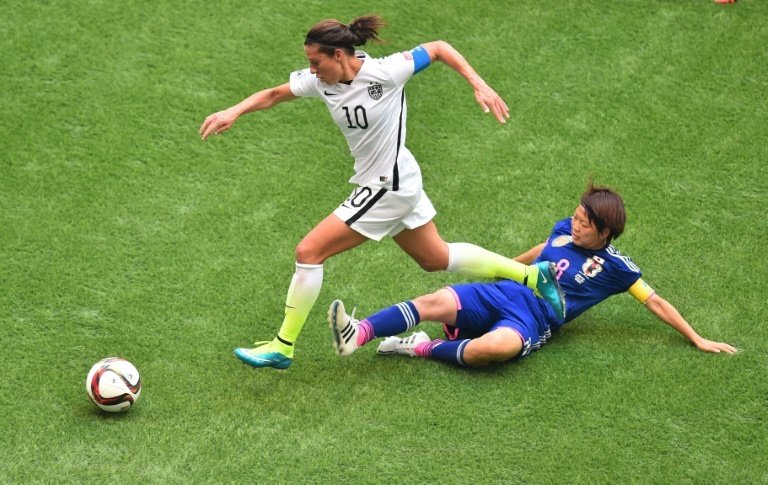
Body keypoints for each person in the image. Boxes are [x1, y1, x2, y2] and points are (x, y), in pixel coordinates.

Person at [199, 15, 565, 370]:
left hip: (387, 186)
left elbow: (437, 48)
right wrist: (235, 110)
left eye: (315, 61)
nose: (311, 69)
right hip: (398, 179)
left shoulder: (387, 71)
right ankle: (532, 276)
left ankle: (283, 346)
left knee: (309, 251)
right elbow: (275, 93)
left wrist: (477, 82)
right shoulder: (321, 82)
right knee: (435, 258)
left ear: (338, 56)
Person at [329, 183, 737, 367]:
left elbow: (655, 301)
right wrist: (503, 269)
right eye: (575, 218)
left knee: (492, 350)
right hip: (506, 291)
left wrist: (697, 339)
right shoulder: (562, 229)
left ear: (605, 232)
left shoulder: (616, 268)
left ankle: (417, 348)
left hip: (533, 319)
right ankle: (358, 333)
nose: (575, 226)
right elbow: (540, 251)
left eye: (584, 224)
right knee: (436, 300)